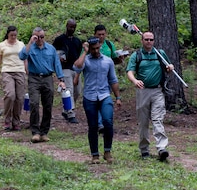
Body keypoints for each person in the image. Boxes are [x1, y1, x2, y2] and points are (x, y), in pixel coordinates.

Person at [126, 31, 174, 161]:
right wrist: (135, 81)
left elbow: (168, 67)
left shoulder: (160, 53)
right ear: (142, 40)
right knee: (143, 122)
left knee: (157, 119)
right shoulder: (137, 55)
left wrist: (170, 67)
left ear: (154, 41)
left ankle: (161, 148)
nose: (149, 42)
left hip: (157, 91)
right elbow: (130, 71)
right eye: (146, 39)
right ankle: (144, 149)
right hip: (143, 92)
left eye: (151, 40)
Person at [73, 37, 122, 163]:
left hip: (104, 95)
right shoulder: (86, 60)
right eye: (93, 49)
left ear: (100, 46)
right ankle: (95, 155)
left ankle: (107, 151)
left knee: (108, 121)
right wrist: (84, 52)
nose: (95, 51)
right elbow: (77, 67)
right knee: (93, 126)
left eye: (97, 48)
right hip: (89, 96)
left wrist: (118, 97)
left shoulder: (108, 61)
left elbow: (113, 80)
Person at [19, 27, 67, 143]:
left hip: (47, 78)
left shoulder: (50, 49)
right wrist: (30, 42)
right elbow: (22, 56)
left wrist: (61, 79)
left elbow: (57, 64)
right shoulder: (30, 48)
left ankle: (44, 132)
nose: (39, 39)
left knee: (48, 105)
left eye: (42, 37)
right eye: (37, 37)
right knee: (34, 103)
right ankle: (35, 132)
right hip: (34, 78)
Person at [0, 25, 27, 131]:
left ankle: (16, 121)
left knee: (19, 98)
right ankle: (7, 120)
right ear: (8, 34)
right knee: (10, 95)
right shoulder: (2, 45)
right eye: (11, 35)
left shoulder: (21, 44)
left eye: (15, 35)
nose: (13, 37)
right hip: (7, 71)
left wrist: (28, 72)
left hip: (20, 71)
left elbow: (25, 60)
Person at [52, 19, 82, 124]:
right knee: (68, 90)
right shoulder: (59, 40)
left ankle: (65, 109)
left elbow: (79, 55)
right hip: (64, 68)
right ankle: (70, 113)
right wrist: (58, 58)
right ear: (66, 26)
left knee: (77, 91)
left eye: (74, 27)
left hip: (75, 69)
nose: (72, 29)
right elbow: (52, 52)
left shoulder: (77, 41)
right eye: (70, 27)